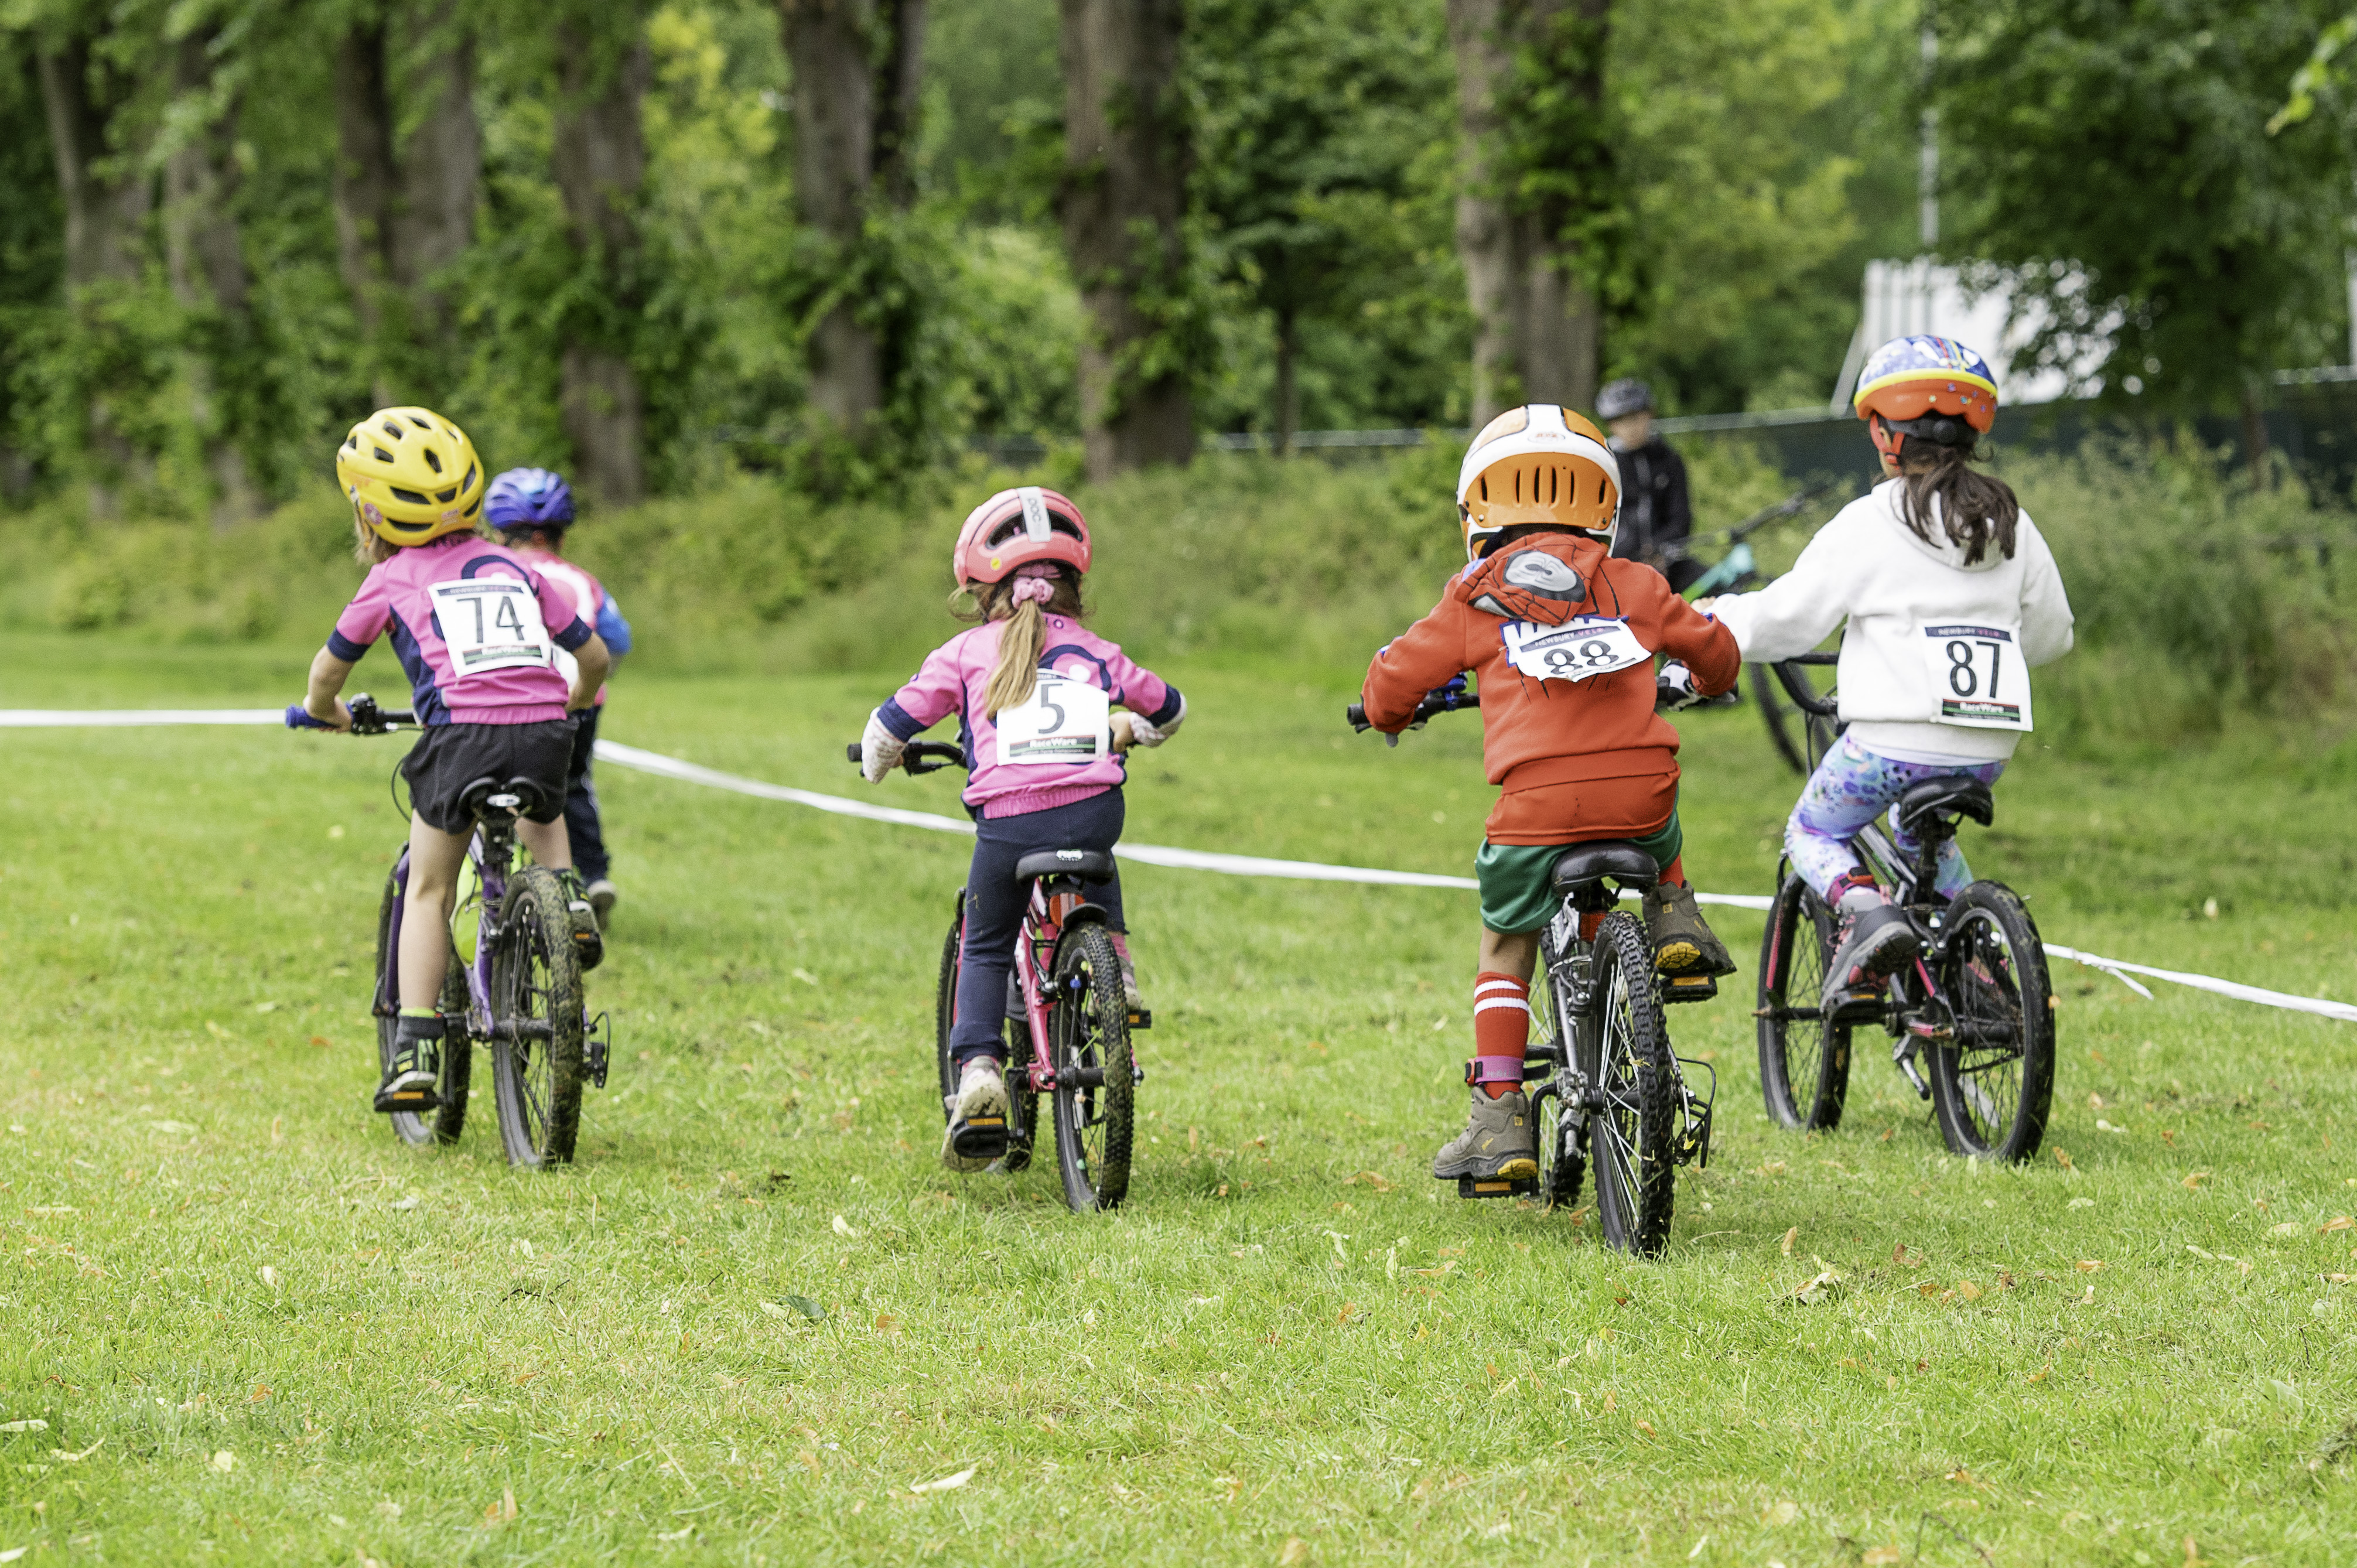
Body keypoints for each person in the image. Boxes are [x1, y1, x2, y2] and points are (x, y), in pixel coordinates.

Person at [1359, 405, 1741, 1187]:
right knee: (1654, 793)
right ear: (1605, 504)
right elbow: (1716, 651)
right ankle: (1673, 912)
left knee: (1506, 941)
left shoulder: (1475, 595)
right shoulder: (1635, 581)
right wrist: (1706, 680)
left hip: (1535, 807)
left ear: (1479, 508)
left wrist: (1384, 710)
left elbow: (1396, 680)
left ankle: (1499, 1116)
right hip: (1641, 795)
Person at [1703, 336, 2074, 1012]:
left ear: (1883, 434)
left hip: (1888, 746)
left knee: (1811, 832)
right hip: (1988, 749)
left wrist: (1705, 622)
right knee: (1922, 840)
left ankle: (1866, 911)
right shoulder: (2009, 520)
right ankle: (1981, 971)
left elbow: (1787, 620)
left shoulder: (1871, 519)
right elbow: (2051, 635)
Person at [858, 486, 1186, 1171]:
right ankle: (1115, 968)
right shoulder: (1098, 650)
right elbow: (1169, 708)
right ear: (1074, 584)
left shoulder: (964, 654)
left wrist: (876, 765)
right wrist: (1137, 728)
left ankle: (978, 1067)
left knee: (984, 945)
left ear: (980, 587)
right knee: (1098, 859)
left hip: (1008, 826)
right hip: (1096, 811)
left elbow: (892, 725)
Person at [295, 407, 610, 1114]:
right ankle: (568, 896)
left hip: (459, 740)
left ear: (368, 514)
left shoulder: (391, 578)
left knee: (430, 890)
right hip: (543, 732)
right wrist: (572, 700)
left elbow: (328, 672)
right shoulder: (513, 566)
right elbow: (592, 656)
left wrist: (324, 713)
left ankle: (415, 1048)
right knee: (546, 805)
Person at [486, 467, 634, 931]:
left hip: (509, 702)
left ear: (498, 532)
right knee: (573, 785)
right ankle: (592, 876)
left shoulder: (493, 573)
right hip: (580, 699)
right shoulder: (585, 581)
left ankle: (503, 888)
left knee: (501, 790)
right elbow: (616, 640)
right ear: (560, 535)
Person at [1595, 377, 1700, 591]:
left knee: (1722, 585)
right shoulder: (1604, 463)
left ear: (1649, 414)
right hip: (1619, 564)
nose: (1630, 427)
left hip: (1669, 560)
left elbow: (1681, 517)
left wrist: (1659, 550)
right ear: (1611, 425)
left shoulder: (1668, 459)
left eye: (1635, 417)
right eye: (1621, 420)